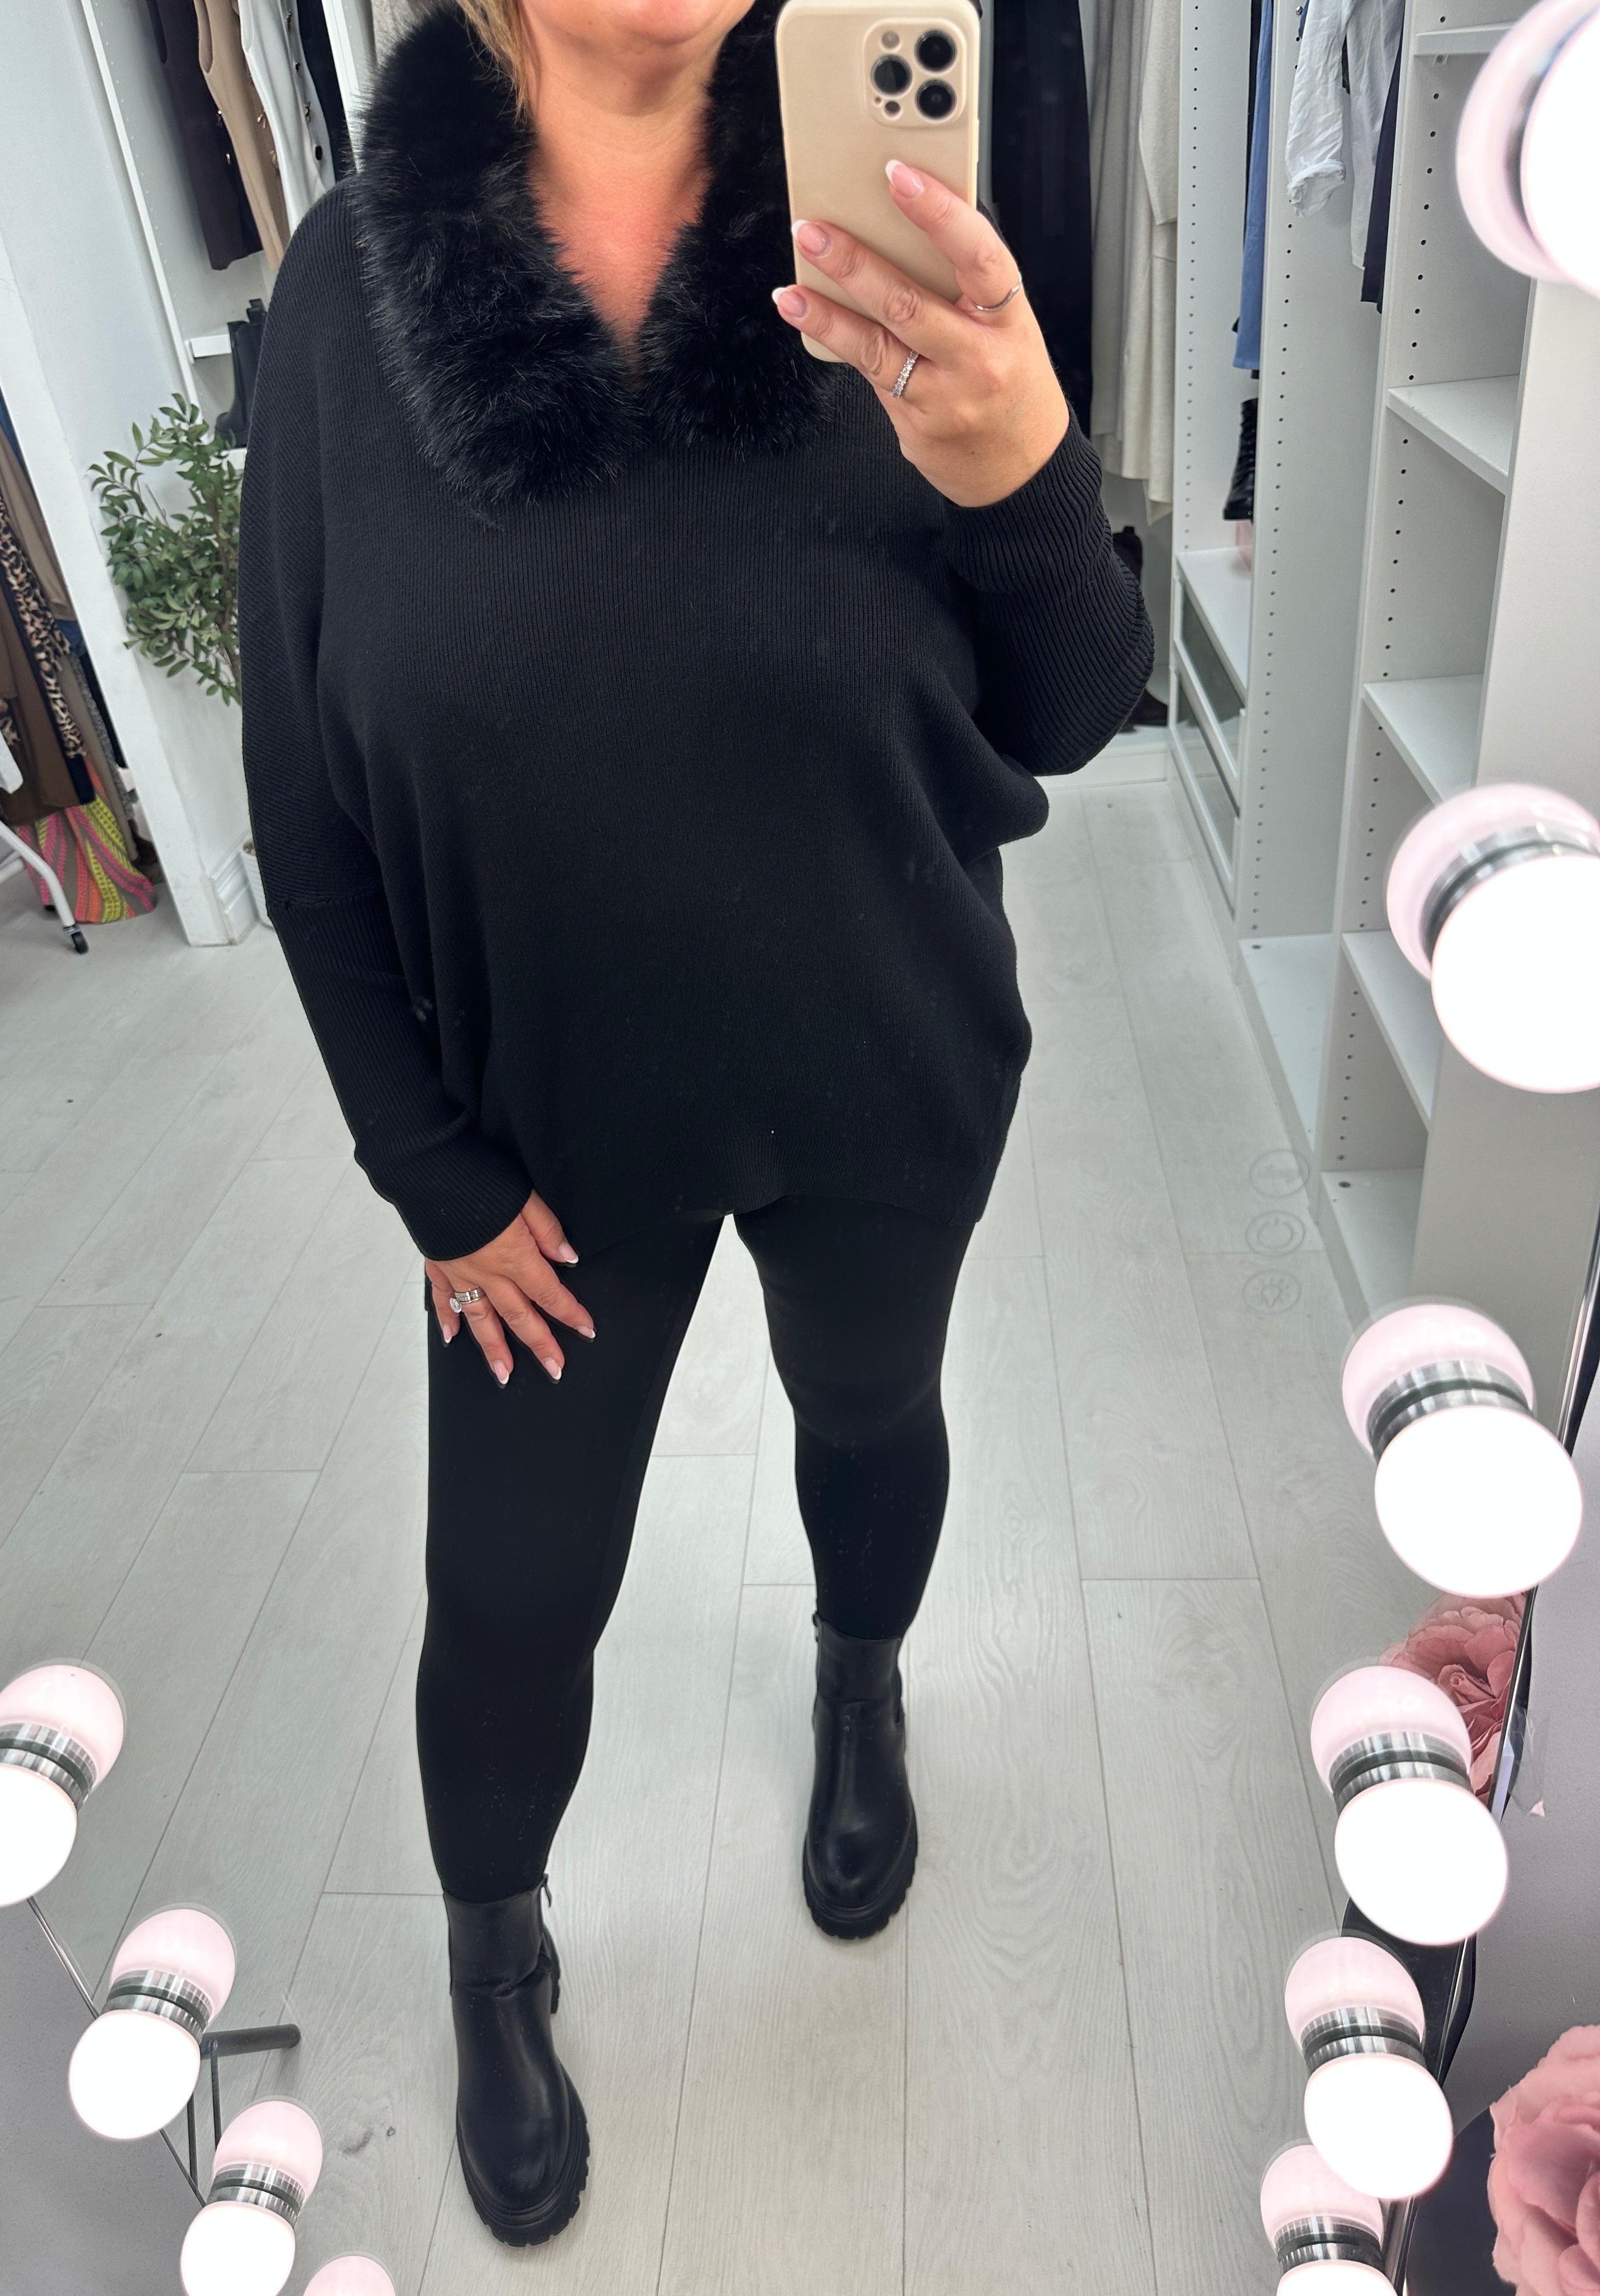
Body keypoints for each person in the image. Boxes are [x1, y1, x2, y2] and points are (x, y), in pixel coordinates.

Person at [241, 0, 1151, 2247]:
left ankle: (862, 1687)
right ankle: (496, 1952)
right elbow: (298, 797)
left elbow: (1077, 705)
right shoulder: (349, 297)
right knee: (509, 1592)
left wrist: (1029, 465)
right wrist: (424, 1171)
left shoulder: (897, 223)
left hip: (884, 1064)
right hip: (540, 1144)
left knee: (872, 1412)